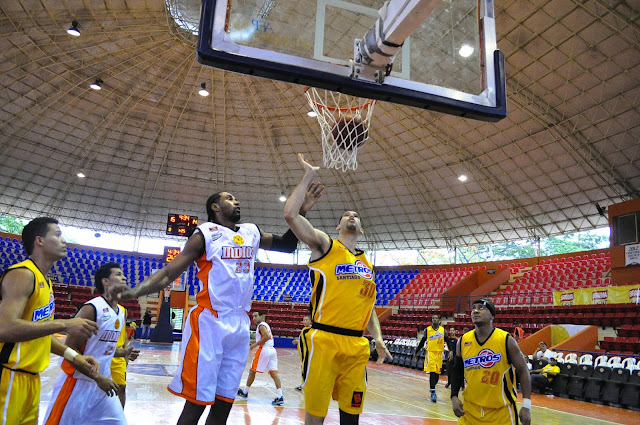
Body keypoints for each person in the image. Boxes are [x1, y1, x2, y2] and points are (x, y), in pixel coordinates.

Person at [118, 186, 322, 425]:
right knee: (196, 402)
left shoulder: (251, 231)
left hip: (239, 324)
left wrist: (302, 212)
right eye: (229, 198)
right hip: (209, 322)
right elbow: (167, 273)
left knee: (224, 402)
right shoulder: (203, 234)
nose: (236, 202)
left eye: (235, 198)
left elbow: (287, 245)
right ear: (215, 207)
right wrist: (133, 292)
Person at [283, 153, 392, 425]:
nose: (351, 216)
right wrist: (307, 176)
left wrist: (377, 337)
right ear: (338, 226)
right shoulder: (327, 246)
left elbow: (368, 308)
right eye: (346, 215)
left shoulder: (367, 265)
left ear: (362, 230)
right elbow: (290, 214)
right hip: (324, 340)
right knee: (316, 416)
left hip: (357, 344)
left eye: (355, 215)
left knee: (351, 416)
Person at [0, 217, 99, 425]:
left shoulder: (46, 281)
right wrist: (64, 323)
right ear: (40, 241)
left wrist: (74, 356)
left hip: (31, 380)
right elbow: (5, 328)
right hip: (7, 376)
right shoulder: (23, 274)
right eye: (58, 234)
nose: (64, 241)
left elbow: (39, 334)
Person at [44, 262, 136, 424]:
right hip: (78, 384)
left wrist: (123, 353)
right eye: (118, 274)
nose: (124, 277)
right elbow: (69, 349)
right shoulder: (92, 309)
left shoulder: (121, 312)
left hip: (103, 385)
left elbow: (101, 349)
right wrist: (97, 377)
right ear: (105, 281)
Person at [450, 299, 532, 425]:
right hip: (470, 412)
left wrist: (526, 405)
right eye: (473, 308)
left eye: (481, 308)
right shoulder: (463, 341)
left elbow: (523, 370)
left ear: (492, 315)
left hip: (501, 414)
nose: (476, 311)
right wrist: (454, 396)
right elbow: (457, 371)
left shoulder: (506, 340)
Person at [237, 311, 284, 405]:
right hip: (272, 350)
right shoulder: (265, 325)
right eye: (253, 316)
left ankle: (245, 392)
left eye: (256, 316)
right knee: (274, 373)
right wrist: (251, 342)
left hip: (264, 350)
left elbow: (266, 336)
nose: (254, 318)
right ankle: (280, 396)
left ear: (262, 316)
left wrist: (255, 345)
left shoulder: (261, 326)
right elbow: (263, 337)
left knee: (252, 371)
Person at [111, 304, 141, 407]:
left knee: (121, 388)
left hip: (118, 355)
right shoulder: (94, 308)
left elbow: (123, 333)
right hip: (100, 355)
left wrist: (125, 352)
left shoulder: (123, 310)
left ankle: (119, 418)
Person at [413, 314, 445, 402]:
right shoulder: (427, 330)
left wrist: (451, 351)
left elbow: (448, 340)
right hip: (430, 353)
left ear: (439, 320)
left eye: (436, 318)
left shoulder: (443, 330)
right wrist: (416, 352)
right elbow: (423, 341)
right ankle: (433, 392)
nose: (435, 319)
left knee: (437, 375)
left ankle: (432, 387)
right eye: (433, 318)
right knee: (432, 372)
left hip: (439, 354)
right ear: (432, 320)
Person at [292, 314, 312, 391]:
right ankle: (305, 384)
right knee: (305, 369)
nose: (305, 321)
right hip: (304, 354)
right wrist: (298, 341)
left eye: (306, 320)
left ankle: (305, 385)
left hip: (307, 354)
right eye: (304, 320)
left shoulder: (307, 330)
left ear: (310, 321)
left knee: (305, 370)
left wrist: (298, 341)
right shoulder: (306, 330)